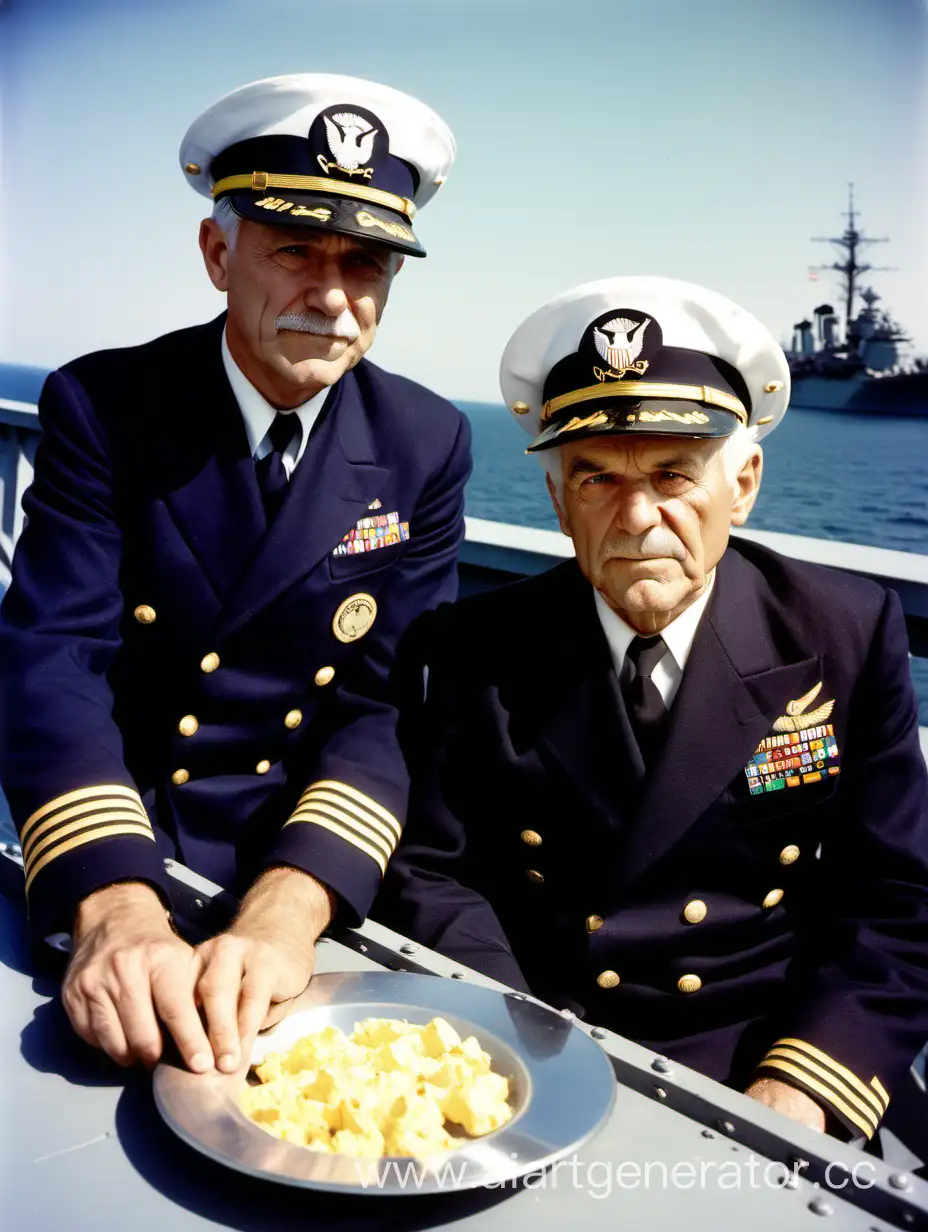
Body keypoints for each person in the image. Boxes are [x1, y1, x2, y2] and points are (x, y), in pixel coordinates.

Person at [377, 276, 928, 1142]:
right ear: (558, 502)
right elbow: (433, 869)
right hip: (532, 1038)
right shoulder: (478, 646)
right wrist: (502, 1038)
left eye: (675, 473)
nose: (637, 517)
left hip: (755, 1058)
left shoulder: (843, 635)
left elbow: (896, 896)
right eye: (596, 478)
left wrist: (801, 1087)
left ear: (742, 484)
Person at [0, 73, 469, 1076]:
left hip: (294, 866)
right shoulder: (106, 405)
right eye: (296, 249)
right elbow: (53, 658)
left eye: (368, 262)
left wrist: (294, 904)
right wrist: (114, 902)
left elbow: (387, 705)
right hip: (123, 832)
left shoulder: (426, 442)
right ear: (219, 254)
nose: (333, 295)